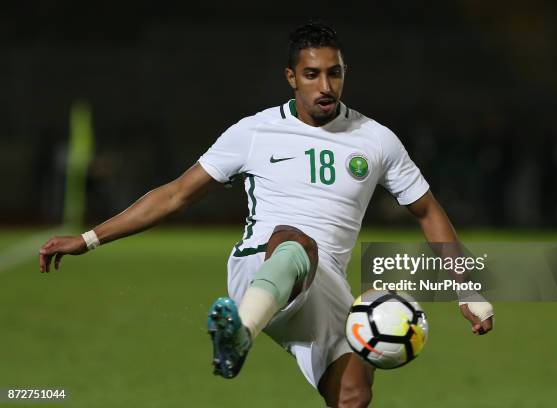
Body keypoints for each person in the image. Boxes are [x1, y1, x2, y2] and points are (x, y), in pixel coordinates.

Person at [39, 21, 494, 408]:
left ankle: (254, 330)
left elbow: (428, 211)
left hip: (326, 285)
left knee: (354, 395)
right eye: (312, 74)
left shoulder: (377, 140)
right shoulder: (254, 132)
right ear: (291, 77)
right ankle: (239, 333)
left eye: (334, 74)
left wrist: (467, 290)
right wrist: (89, 238)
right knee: (297, 241)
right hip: (261, 265)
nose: (325, 86)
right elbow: (176, 194)